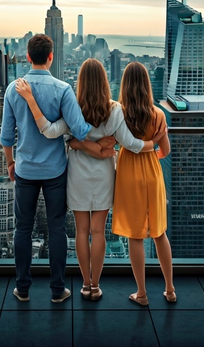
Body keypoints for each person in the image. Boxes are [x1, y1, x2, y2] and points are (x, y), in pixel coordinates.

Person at [14, 58, 159, 300]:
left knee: (81, 231)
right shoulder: (115, 110)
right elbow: (131, 145)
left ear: (80, 83)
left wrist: (74, 142)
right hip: (103, 175)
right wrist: (153, 144)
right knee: (98, 232)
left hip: (77, 175)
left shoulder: (73, 108)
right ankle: (95, 285)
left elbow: (49, 131)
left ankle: (84, 284)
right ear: (104, 82)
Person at [0, 35, 109, 303]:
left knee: (23, 229)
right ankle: (58, 290)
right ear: (51, 57)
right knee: (57, 229)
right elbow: (82, 130)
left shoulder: (13, 88)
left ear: (28, 57)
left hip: (25, 170)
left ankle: (23, 289)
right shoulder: (62, 89)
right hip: (55, 171)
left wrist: (11, 163)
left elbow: (6, 136)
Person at [111, 61, 174, 305]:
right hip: (152, 172)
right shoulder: (158, 114)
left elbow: (112, 144)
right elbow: (165, 150)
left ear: (125, 85)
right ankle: (169, 290)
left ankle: (142, 293)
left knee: (135, 236)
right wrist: (152, 153)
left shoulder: (119, 112)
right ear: (147, 85)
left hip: (128, 174)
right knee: (159, 233)